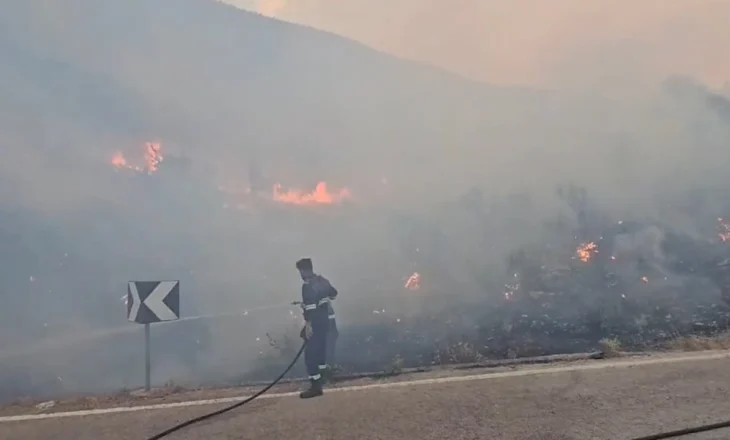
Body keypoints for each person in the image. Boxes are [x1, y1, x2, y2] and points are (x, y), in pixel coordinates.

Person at [296, 258, 338, 399]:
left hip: (316, 324)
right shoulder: (322, 281)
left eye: (300, 271)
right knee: (320, 353)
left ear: (304, 270)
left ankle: (315, 386)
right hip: (328, 323)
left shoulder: (307, 286)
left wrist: (308, 326)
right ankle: (322, 378)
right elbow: (334, 294)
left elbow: (310, 308)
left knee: (311, 356)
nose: (300, 274)